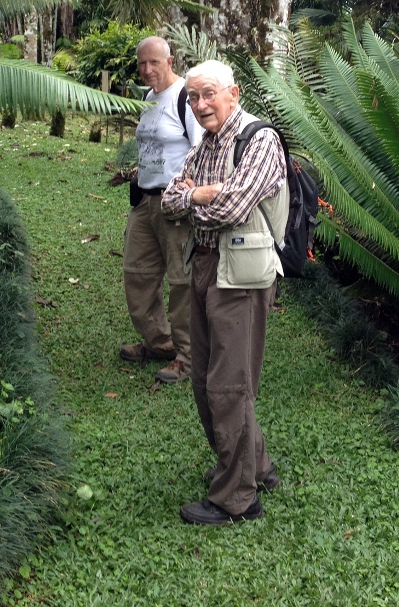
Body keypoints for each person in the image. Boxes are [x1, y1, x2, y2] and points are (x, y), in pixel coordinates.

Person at [161, 59, 286, 524]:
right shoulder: (208, 141)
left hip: (242, 276)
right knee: (204, 378)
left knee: (229, 385)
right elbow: (171, 198)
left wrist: (203, 196)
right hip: (206, 266)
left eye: (208, 93)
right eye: (192, 97)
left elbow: (233, 207)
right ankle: (260, 468)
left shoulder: (260, 140)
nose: (199, 104)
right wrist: (199, 194)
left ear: (233, 92)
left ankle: (237, 497)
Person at [119, 36, 203, 383]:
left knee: (182, 283)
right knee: (136, 274)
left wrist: (191, 193)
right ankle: (159, 343)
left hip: (176, 205)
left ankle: (188, 357)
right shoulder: (148, 97)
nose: (147, 69)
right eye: (142, 63)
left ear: (171, 61)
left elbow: (201, 149)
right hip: (145, 201)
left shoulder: (185, 97)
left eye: (154, 62)